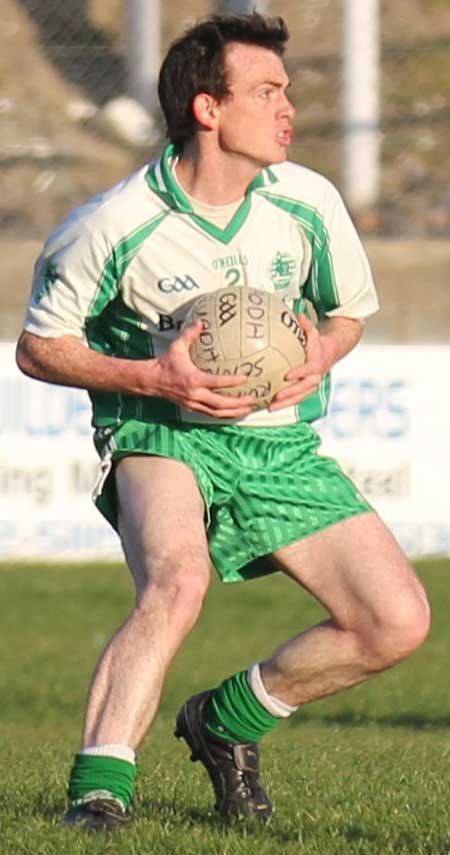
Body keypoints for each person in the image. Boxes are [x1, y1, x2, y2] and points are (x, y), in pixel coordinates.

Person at [16, 12, 430, 831]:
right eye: (268, 90)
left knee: (396, 621)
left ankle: (225, 721)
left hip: (279, 441)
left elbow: (347, 315)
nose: (288, 108)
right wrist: (152, 376)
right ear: (208, 108)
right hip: (161, 431)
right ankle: (99, 792)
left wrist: (322, 353)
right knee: (178, 580)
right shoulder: (113, 224)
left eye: (287, 91)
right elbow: (38, 348)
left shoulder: (309, 201)